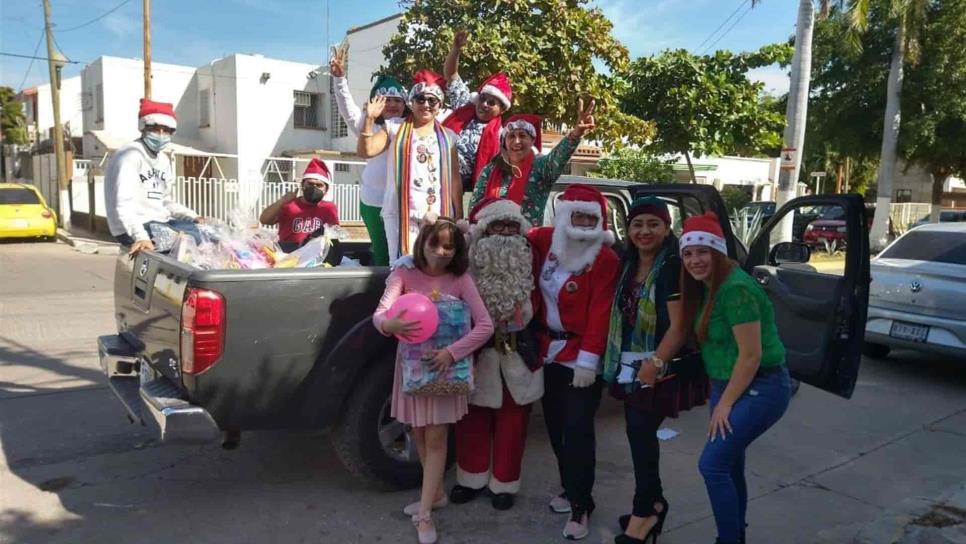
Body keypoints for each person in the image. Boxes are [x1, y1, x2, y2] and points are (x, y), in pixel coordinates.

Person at [372, 218, 494, 544]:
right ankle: (436, 493)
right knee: (421, 436)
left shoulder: (461, 279)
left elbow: (485, 326)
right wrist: (390, 325)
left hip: (444, 371)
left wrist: (452, 353)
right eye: (434, 244)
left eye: (449, 246)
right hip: (412, 369)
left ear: (457, 250)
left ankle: (424, 516)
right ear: (423, 242)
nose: (441, 252)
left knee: (437, 439)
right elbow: (380, 314)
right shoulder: (404, 274)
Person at [601, 197, 709, 544]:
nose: (644, 231)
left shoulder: (672, 268)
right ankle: (653, 505)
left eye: (653, 224)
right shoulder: (627, 264)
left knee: (640, 433)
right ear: (628, 230)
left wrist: (656, 364)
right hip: (632, 362)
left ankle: (644, 511)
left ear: (667, 229)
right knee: (639, 436)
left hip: (662, 366)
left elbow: (679, 328)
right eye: (637, 224)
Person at [678, 212, 791, 544]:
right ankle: (735, 535)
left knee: (711, 465)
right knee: (728, 466)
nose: (695, 260)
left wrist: (724, 404)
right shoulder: (709, 287)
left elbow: (751, 355)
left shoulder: (736, 290)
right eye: (688, 253)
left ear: (718, 251)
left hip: (761, 387)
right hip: (726, 385)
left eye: (703, 251)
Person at [529, 183, 620, 540]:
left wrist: (588, 362)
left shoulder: (605, 258)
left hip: (581, 357)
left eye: (590, 217)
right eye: (577, 215)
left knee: (578, 431)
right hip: (547, 352)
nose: (583, 222)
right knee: (554, 427)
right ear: (565, 215)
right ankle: (570, 487)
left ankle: (583, 506)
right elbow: (511, 231)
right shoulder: (546, 240)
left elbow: (601, 312)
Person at [450, 197, 542, 511]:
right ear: (482, 232)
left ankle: (504, 483)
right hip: (478, 353)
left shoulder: (532, 258)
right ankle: (470, 479)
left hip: (519, 354)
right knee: (472, 420)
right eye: (496, 226)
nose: (504, 233)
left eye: (511, 226)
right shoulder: (467, 261)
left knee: (513, 424)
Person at [357, 69, 462, 261]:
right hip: (399, 213)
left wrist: (459, 216)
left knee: (437, 265)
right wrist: (369, 119)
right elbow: (366, 151)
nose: (426, 104)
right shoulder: (394, 127)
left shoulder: (449, 137)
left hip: (438, 213)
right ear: (411, 103)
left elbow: (455, 178)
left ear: (440, 106)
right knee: (404, 266)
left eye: (432, 100)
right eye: (420, 99)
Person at [330, 55, 408, 265]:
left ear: (405, 104)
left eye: (397, 100)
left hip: (403, 204)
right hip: (373, 202)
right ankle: (382, 295)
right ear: (376, 102)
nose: (392, 105)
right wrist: (339, 79)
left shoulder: (411, 127)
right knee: (382, 253)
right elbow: (346, 108)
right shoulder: (368, 124)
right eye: (387, 100)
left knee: (404, 253)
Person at [469, 101, 595, 227]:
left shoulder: (541, 168)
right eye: (511, 136)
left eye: (522, 135)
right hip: (491, 241)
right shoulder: (490, 170)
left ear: (532, 140)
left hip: (528, 243)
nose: (517, 141)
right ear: (504, 142)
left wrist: (576, 134)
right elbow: (475, 208)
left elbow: (558, 157)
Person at [104, 98, 202, 254]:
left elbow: (165, 201)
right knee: (186, 243)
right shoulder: (129, 155)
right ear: (143, 128)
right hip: (135, 226)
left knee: (206, 234)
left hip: (161, 222)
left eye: (166, 130)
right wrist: (141, 237)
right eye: (155, 129)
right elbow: (123, 204)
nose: (161, 135)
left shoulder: (163, 160)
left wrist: (194, 217)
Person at [442, 30, 512, 193]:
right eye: (482, 99)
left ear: (501, 109)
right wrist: (456, 49)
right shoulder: (464, 106)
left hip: (470, 192)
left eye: (492, 102)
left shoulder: (503, 135)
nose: (485, 104)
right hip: (437, 180)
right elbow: (451, 74)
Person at [259, 158, 340, 253]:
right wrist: (283, 201)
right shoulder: (290, 205)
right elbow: (264, 220)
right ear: (302, 185)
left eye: (319, 185)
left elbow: (334, 234)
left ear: (326, 190)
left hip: (316, 254)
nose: (314, 188)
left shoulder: (329, 208)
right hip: (288, 253)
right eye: (310, 184)